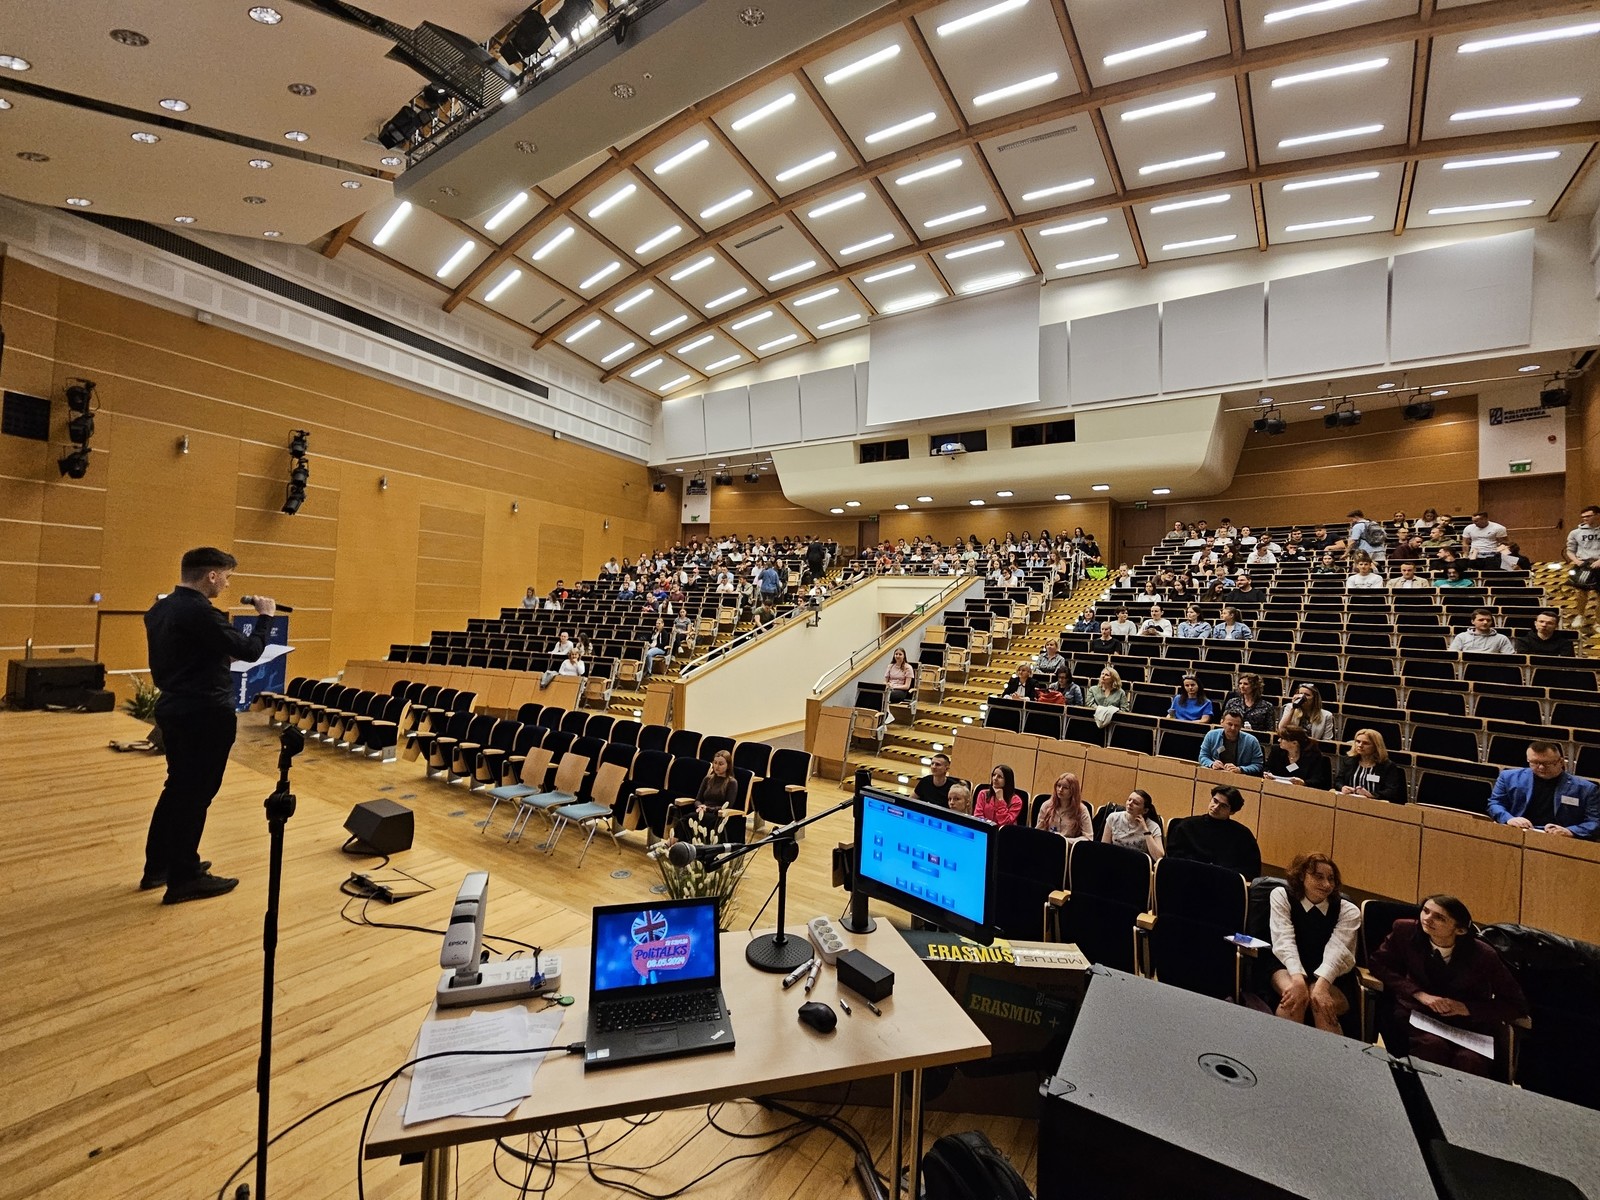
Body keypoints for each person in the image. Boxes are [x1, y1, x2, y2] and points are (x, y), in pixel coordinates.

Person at [141, 547, 276, 903]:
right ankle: (184, 877)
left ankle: (160, 866)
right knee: (196, 795)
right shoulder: (200, 611)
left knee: (178, 789)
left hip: (175, 708)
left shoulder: (162, 608)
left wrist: (217, 652)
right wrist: (265, 618)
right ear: (211, 575)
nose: (227, 584)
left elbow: (188, 653)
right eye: (226, 577)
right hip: (204, 712)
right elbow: (250, 650)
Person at [1369, 894, 1528, 1077]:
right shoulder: (1405, 930)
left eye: (1439, 917)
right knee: (1432, 1047)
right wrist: (1418, 994)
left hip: (1466, 1026)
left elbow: (1516, 1004)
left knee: (1470, 1061)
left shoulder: (1483, 955)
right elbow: (1378, 964)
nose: (1427, 919)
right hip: (1419, 1014)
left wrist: (1466, 1008)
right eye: (1425, 911)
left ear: (1460, 930)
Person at [1266, 853, 1359, 1033]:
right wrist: (1298, 980)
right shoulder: (1281, 895)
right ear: (1302, 876)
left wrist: (1321, 987)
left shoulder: (1348, 910)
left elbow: (1337, 953)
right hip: (1286, 966)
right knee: (1295, 997)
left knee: (1321, 1003)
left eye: (1331, 879)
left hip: (1331, 976)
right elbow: (1284, 941)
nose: (1326, 884)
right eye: (1319, 877)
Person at [1486, 741, 1599, 839]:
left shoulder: (1586, 789)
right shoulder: (1508, 777)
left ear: (1561, 762)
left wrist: (1570, 831)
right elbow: (1495, 804)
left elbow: (1594, 822)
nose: (1541, 767)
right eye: (1534, 762)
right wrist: (1509, 819)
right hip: (1517, 832)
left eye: (1547, 763)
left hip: (1559, 839)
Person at [1167, 786, 1262, 878]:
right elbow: (1174, 858)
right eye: (1215, 801)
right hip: (1189, 877)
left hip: (1222, 882)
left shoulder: (1243, 836)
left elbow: (1251, 869)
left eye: (1223, 806)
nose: (1216, 807)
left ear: (1232, 811)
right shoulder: (1186, 826)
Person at [679, 749, 741, 842]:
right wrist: (700, 806)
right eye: (715, 763)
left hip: (717, 815)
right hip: (702, 811)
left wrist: (707, 809)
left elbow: (728, 805)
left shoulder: (732, 782)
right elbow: (698, 799)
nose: (717, 766)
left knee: (687, 818)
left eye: (720, 764)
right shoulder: (708, 779)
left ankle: (670, 844)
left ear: (728, 765)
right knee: (686, 819)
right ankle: (674, 845)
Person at [1334, 728, 1407, 803]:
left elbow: (1391, 791)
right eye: (1358, 741)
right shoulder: (1349, 760)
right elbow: (1338, 781)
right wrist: (1342, 787)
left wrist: (1371, 795)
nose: (1360, 745)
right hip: (1349, 801)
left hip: (1375, 804)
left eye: (1365, 743)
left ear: (1376, 746)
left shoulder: (1387, 766)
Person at [1101, 789, 1165, 859]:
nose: (1130, 803)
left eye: (1136, 803)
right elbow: (1104, 848)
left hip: (1137, 862)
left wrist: (1146, 830)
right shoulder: (1113, 818)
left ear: (1145, 810)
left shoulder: (1153, 826)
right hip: (1114, 859)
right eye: (1129, 800)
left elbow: (1158, 857)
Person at [1263, 728, 1332, 790]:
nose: (1278, 740)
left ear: (1294, 743)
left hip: (1304, 791)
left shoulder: (1313, 756)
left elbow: (1318, 780)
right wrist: (1267, 774)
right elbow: (1267, 768)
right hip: (1277, 788)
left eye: (1282, 739)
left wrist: (1304, 783)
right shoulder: (1276, 750)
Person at [1566, 503, 1600, 627]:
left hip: (1598, 563)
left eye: (1588, 516)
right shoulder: (1575, 533)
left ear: (1597, 515)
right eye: (1583, 517)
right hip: (1583, 565)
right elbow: (1570, 551)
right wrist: (1577, 561)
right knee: (1580, 592)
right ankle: (1580, 616)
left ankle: (1598, 621)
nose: (1585, 519)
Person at [1198, 711, 1264, 775]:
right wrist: (1211, 764)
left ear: (1241, 726)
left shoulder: (1252, 741)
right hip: (1215, 774)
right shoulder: (1211, 735)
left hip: (1240, 777)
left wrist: (1240, 769)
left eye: (1236, 725)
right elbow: (1203, 756)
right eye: (1230, 724)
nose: (1233, 728)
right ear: (1222, 722)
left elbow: (1258, 765)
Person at [1036, 772, 1093, 839]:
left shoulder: (1082, 810)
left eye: (1065, 788)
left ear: (1073, 791)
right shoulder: (1046, 805)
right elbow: (1038, 832)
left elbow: (1088, 838)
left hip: (1069, 845)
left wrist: (1065, 840)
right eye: (1058, 786)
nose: (1060, 790)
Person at [1448, 608, 1513, 654]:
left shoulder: (1502, 638)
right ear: (1473, 621)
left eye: (1488, 620)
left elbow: (1510, 658)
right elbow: (1452, 655)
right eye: (1481, 620)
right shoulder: (1462, 637)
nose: (1485, 622)